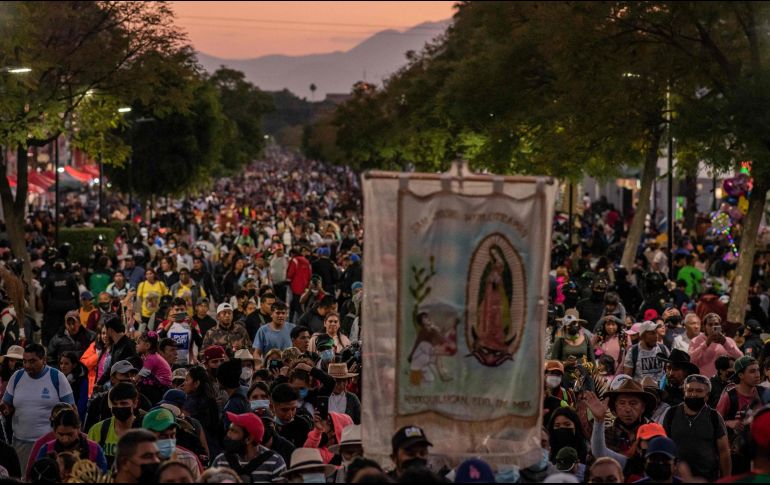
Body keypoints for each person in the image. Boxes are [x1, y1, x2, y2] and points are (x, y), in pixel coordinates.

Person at [0, 343, 75, 470]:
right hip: (21, 443)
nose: (27, 366)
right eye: (25, 361)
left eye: (32, 361)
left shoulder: (57, 377)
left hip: (49, 445)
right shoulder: (17, 377)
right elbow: (7, 405)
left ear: (43, 360)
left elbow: (72, 410)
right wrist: (5, 409)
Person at [718, 356, 768, 474]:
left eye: (757, 370)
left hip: (760, 454)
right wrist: (729, 422)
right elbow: (714, 422)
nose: (757, 374)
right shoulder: (729, 396)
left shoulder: (764, 393)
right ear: (740, 375)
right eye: (752, 371)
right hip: (736, 453)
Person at [210, 411, 287, 482]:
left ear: (248, 439)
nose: (228, 435)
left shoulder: (275, 462)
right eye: (229, 430)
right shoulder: (221, 460)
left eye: (234, 431)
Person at [34, 407, 108, 473]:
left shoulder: (94, 449)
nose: (65, 439)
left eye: (70, 434)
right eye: (61, 434)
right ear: (54, 431)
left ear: (79, 429)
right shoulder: (46, 450)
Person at [87, 382, 143, 467]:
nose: (119, 407)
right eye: (115, 404)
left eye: (124, 403)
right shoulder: (98, 430)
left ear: (135, 403)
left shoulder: (143, 430)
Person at [141, 408, 202, 481]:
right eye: (163, 436)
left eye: (172, 435)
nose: (169, 440)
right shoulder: (138, 464)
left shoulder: (188, 460)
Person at [182, 365, 222, 459]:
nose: (184, 383)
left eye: (187, 380)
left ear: (196, 383)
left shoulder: (190, 403)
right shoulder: (210, 399)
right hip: (215, 448)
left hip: (200, 450)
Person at [690, 313, 743, 378]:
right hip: (704, 381)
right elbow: (691, 360)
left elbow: (741, 358)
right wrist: (706, 343)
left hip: (724, 381)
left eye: (716, 324)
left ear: (720, 326)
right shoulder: (696, 340)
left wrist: (725, 343)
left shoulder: (728, 340)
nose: (713, 327)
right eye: (710, 324)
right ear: (704, 327)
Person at [158, 299, 203, 367]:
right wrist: (169, 324)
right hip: (169, 363)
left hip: (188, 363)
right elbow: (157, 341)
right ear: (172, 309)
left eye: (182, 309)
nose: (179, 312)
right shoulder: (164, 324)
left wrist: (192, 327)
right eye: (177, 309)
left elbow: (200, 343)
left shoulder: (193, 323)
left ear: (186, 309)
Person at [270, 383, 313, 448]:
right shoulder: (267, 426)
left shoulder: (302, 425)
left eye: (293, 409)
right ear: (272, 407)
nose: (290, 414)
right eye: (284, 410)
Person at [136, 331, 173, 405]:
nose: (136, 345)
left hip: (162, 388)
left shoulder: (151, 359)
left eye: (138, 343)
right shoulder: (151, 356)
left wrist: (132, 381)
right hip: (162, 386)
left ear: (147, 346)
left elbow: (140, 376)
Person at [58, 351, 90, 420]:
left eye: (66, 364)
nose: (63, 366)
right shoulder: (58, 378)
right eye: (61, 363)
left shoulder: (81, 380)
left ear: (74, 365)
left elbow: (83, 401)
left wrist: (76, 417)